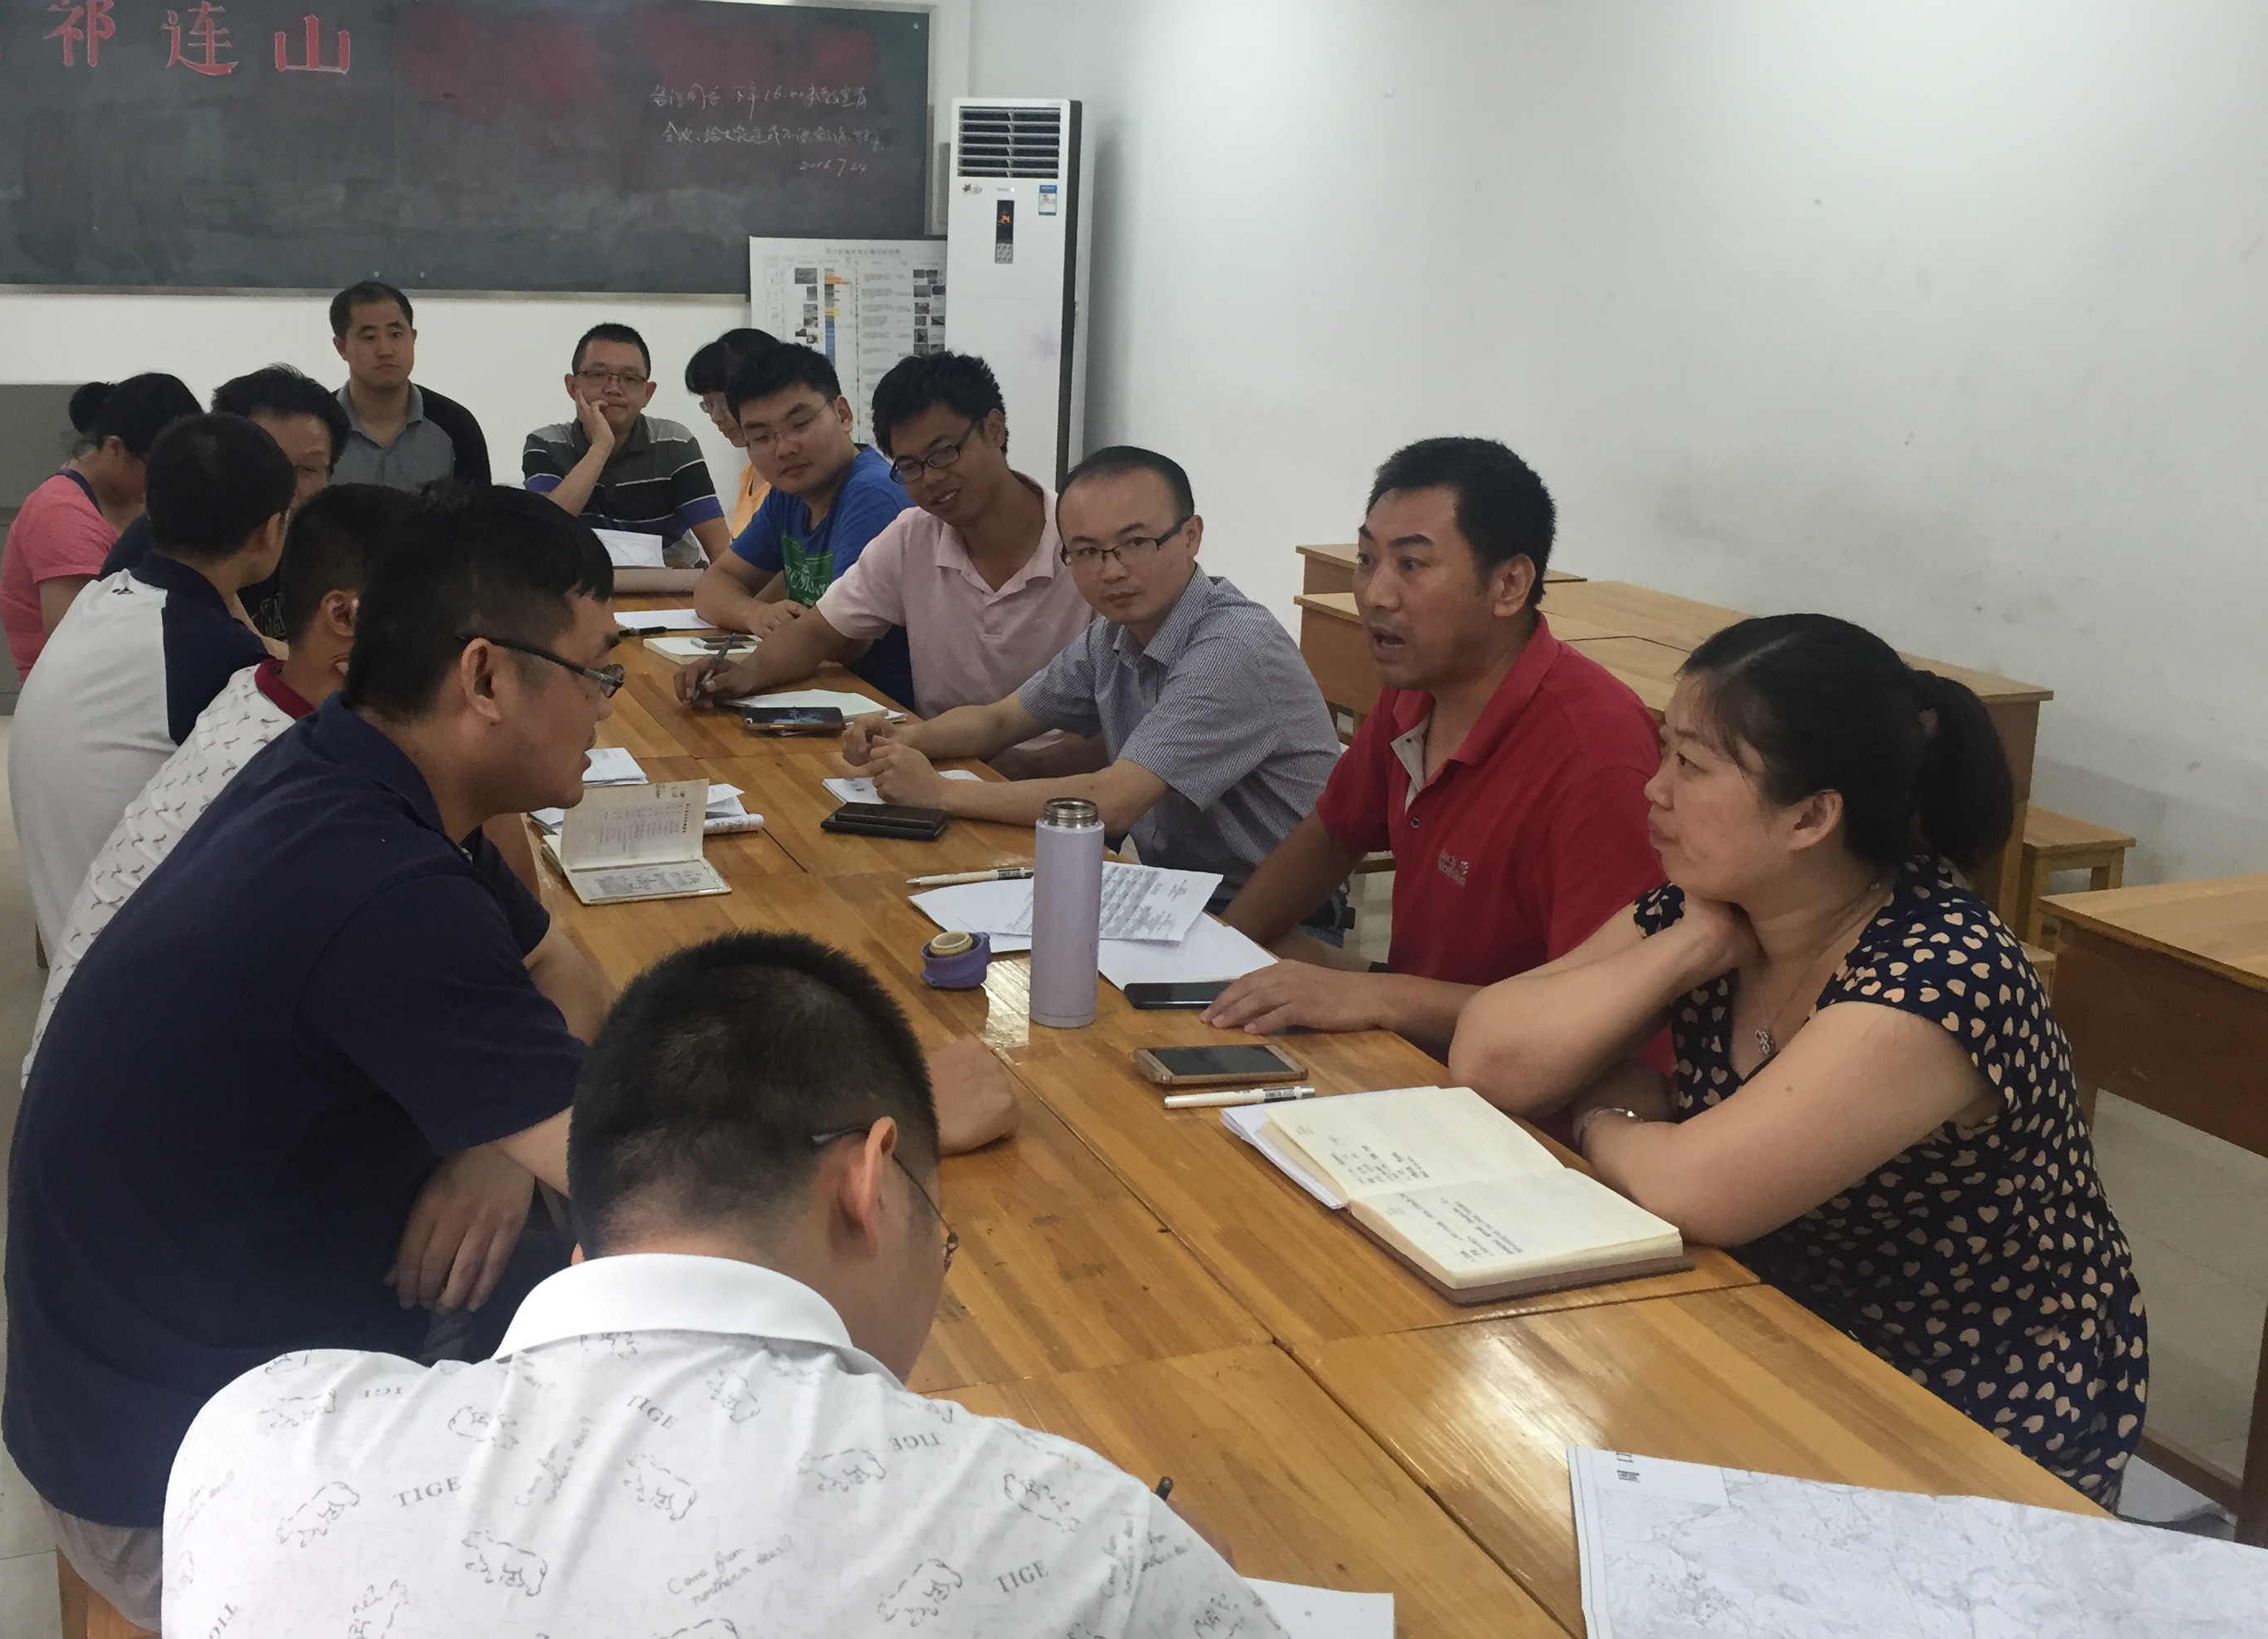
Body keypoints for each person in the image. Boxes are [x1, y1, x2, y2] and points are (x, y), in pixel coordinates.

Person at [159, 932, 1276, 1639]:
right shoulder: (1088, 1555)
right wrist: (1160, 1573)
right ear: (869, 1184)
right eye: (939, 1238)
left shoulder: (259, 1443)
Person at [4, 487, 615, 1634]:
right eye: (595, 673)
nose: (604, 709)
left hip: (142, 1387)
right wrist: (892, 1113)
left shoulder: (355, 771)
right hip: (175, 1482)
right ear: (485, 677)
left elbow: (564, 973)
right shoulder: (386, 886)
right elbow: (670, 1196)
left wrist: (499, 1146)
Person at [1449, 615, 2147, 1504]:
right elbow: (1488, 1053)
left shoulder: (1944, 971)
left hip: (1964, 1398)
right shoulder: (1714, 905)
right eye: (1664, 753)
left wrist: (1603, 1113)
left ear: (1813, 816)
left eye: (1692, 765)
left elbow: (1698, 1190)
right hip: (1766, 1316)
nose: (1655, 789)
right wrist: (1686, 951)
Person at [1206, 438, 1664, 1052]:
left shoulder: (1596, 757)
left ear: (1509, 584)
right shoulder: (1417, 691)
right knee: (1262, 958)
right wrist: (1218, 951)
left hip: (1520, 1074)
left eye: (1412, 565)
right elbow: (1332, 836)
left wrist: (1376, 998)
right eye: (1367, 560)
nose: (1375, 595)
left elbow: (1602, 1013)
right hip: (1419, 1026)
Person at [22, 482, 414, 1077]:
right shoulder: (308, 781)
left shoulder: (245, 687)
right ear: (343, 615)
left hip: (78, 1052)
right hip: (134, 1095)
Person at [847, 447, 1338, 900]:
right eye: (1085, 552)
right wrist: (900, 740)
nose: (1112, 571)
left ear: (1191, 536)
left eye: (1136, 543)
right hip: (1177, 893)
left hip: (1277, 914)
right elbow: (1000, 720)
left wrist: (941, 794)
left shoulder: (1232, 648)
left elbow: (1112, 801)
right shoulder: (1114, 635)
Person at [7, 413, 293, 958]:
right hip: (135, 961)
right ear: (271, 529)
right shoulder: (208, 654)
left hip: (72, 932)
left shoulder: (108, 595)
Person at [677, 352, 1091, 727]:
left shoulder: (1088, 543)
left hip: (1052, 778)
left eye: (943, 453)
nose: (931, 478)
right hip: (941, 759)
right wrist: (742, 675)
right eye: (910, 466)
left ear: (994, 429)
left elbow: (1110, 727)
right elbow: (818, 632)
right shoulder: (913, 537)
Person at [690, 340, 915, 701]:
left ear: (843, 415)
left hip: (879, 704)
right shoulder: (790, 494)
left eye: (800, 424)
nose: (785, 448)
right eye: (761, 437)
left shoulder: (872, 492)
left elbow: (844, 639)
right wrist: (756, 614)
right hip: (818, 687)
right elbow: (713, 585)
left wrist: (752, 668)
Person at [101, 363, 351, 635]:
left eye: (309, 469)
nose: (288, 486)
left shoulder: (323, 540)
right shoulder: (169, 544)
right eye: (269, 462)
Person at [0, 373, 197, 682]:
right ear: (115, 449)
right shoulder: (60, 513)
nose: (172, 483)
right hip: (79, 689)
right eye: (161, 469)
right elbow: (83, 645)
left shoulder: (138, 497)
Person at [522, 321, 730, 566]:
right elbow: (546, 533)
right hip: (582, 583)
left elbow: (720, 548)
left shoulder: (675, 443)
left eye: (629, 378)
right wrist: (601, 447)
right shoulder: (545, 444)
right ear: (572, 386)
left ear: (648, 393)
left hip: (671, 582)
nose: (613, 388)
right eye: (598, 375)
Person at [327, 280, 492, 490]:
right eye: (369, 337)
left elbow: (480, 509)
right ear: (341, 347)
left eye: (396, 335)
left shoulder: (456, 426)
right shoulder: (319, 426)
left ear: (413, 338)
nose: (385, 350)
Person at [685, 323, 781, 534]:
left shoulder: (792, 478)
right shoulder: (752, 469)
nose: (715, 417)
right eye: (708, 405)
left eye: (723, 402)